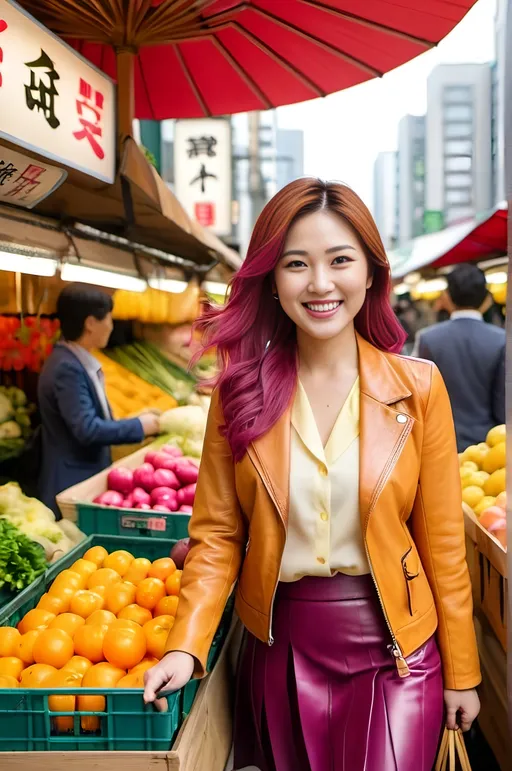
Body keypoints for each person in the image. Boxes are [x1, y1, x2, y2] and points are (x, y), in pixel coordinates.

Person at [143, 179, 481, 771]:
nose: (320, 284)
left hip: (398, 649)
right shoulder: (240, 394)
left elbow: (443, 542)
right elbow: (217, 536)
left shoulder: (418, 388)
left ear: (371, 274)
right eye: (297, 264)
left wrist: (463, 671)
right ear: (272, 279)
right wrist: (185, 645)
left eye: (340, 260)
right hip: (282, 646)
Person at [38, 284, 159, 516]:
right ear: (90, 323)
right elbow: (87, 429)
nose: (111, 326)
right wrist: (140, 426)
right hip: (71, 482)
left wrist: (134, 420)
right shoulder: (67, 368)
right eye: (109, 319)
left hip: (81, 476)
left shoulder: (75, 360)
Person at [416, 264, 505, 452]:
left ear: (447, 296)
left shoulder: (427, 339)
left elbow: (420, 398)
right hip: (486, 449)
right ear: (486, 298)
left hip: (438, 445)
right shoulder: (502, 341)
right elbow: (503, 406)